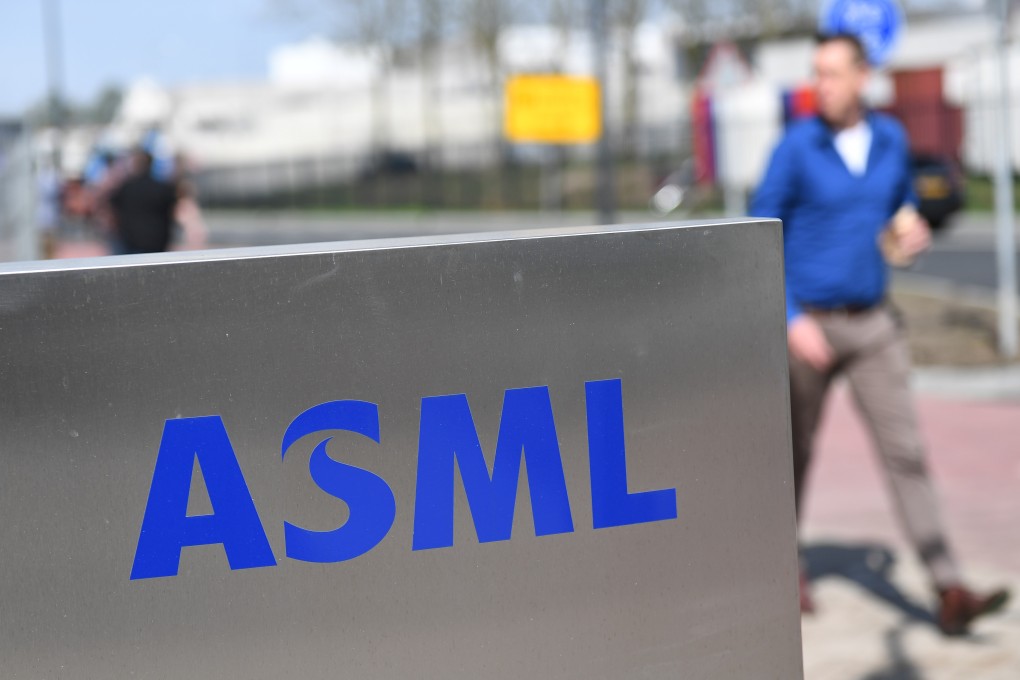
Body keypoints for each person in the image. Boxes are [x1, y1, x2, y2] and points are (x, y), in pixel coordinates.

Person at [751, 33, 1010, 636]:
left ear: (864, 76)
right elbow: (757, 236)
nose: (823, 86)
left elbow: (902, 214)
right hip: (807, 326)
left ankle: (948, 588)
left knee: (907, 454)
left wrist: (909, 237)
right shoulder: (796, 145)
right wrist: (789, 319)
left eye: (834, 74)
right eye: (817, 74)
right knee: (792, 457)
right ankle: (781, 570)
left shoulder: (891, 139)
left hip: (872, 323)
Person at [108, 148, 178, 255]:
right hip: (157, 239)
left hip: (131, 239)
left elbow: (113, 207)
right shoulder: (162, 188)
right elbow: (172, 210)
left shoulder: (127, 187)